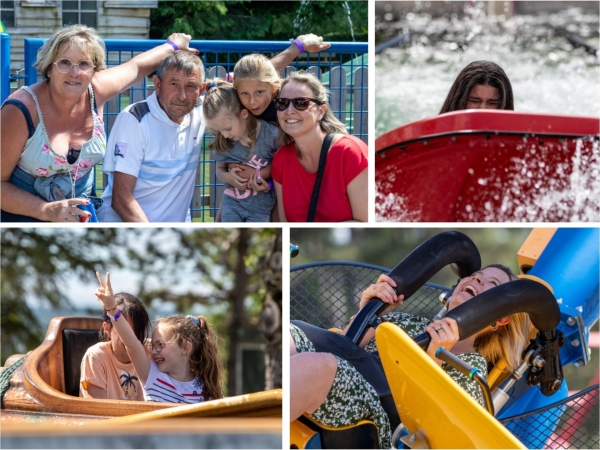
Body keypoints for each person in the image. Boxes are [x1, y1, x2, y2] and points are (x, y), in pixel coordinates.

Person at [290, 264, 532, 449]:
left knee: (319, 366)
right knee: (291, 332)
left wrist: (432, 359)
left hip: (381, 425)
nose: (477, 278)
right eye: (476, 274)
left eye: (491, 282)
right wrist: (367, 312)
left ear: (500, 319)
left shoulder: (471, 368)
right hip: (346, 379)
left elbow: (428, 432)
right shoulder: (409, 321)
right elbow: (345, 346)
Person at [1, 25, 195, 222]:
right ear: (49, 67)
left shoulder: (96, 90)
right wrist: (46, 210)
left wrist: (174, 45)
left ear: (94, 70)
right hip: (22, 219)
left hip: (81, 218)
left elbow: (136, 67)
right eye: (64, 63)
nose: (75, 72)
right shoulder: (21, 110)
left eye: (84, 64)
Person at [96, 51, 205, 222]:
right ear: (157, 84)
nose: (182, 95)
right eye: (174, 84)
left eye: (191, 86)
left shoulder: (202, 111)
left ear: (201, 89)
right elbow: (121, 199)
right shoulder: (133, 119)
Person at [94, 272, 223, 403]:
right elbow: (132, 344)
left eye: (160, 345)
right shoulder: (151, 376)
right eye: (154, 345)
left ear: (185, 348)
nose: (154, 351)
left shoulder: (207, 388)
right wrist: (112, 309)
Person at [271, 71, 368, 222]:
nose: (289, 111)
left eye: (301, 103)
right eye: (282, 103)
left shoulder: (350, 152)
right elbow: (285, 223)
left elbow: (365, 223)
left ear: (320, 112)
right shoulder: (281, 160)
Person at [203, 79, 279, 222]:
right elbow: (219, 169)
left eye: (228, 128)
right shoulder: (223, 140)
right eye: (218, 131)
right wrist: (228, 177)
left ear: (243, 114)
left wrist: (260, 176)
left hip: (260, 209)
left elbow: (282, 167)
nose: (225, 135)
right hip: (232, 204)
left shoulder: (271, 135)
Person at [80, 293, 151, 400]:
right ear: (107, 328)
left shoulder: (153, 351)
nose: (132, 340)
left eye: (138, 332)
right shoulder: (96, 356)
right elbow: (97, 410)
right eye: (125, 332)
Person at [439, 60, 515, 114]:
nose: (483, 109)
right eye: (474, 101)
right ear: (459, 101)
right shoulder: (436, 133)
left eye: (492, 103)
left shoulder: (519, 135)